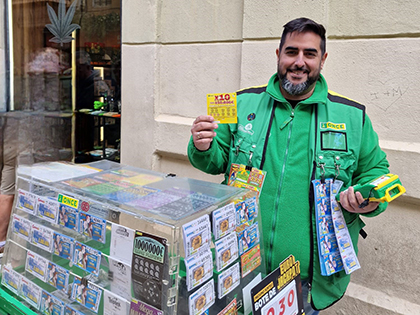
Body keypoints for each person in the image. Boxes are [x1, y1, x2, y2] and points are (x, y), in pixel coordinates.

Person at [188, 17, 389, 313]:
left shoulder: (352, 117)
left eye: (310, 54)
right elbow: (217, 161)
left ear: (323, 59)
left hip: (305, 283)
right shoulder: (240, 104)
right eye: (291, 52)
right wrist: (203, 145)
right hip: (237, 269)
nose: (299, 62)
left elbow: (378, 174)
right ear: (278, 55)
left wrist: (367, 198)